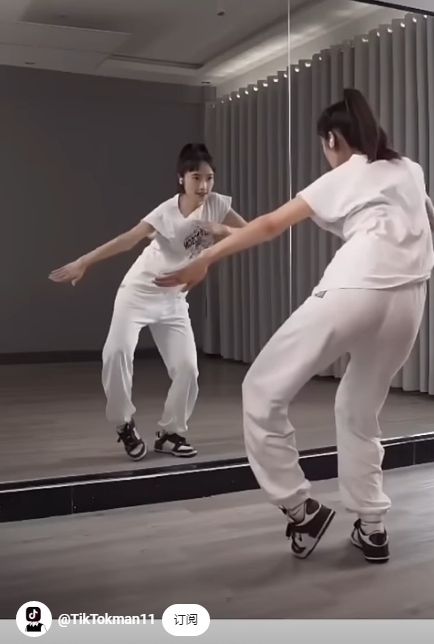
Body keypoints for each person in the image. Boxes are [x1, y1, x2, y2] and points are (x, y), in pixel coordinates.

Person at [155, 89, 434, 565]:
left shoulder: (343, 173)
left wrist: (204, 259)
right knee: (359, 409)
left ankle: (300, 509)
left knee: (262, 389)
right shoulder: (409, 169)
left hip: (354, 289)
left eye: (324, 145)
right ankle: (372, 525)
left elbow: (269, 224)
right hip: (410, 301)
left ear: (332, 139)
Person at [49, 143, 247, 461]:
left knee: (187, 369)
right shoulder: (165, 212)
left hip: (173, 298)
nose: (204, 186)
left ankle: (171, 434)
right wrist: (83, 262)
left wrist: (221, 229)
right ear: (181, 178)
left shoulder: (217, 205)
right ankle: (123, 423)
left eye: (209, 178)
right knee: (116, 353)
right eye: (196, 178)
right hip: (139, 292)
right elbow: (128, 239)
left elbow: (249, 233)